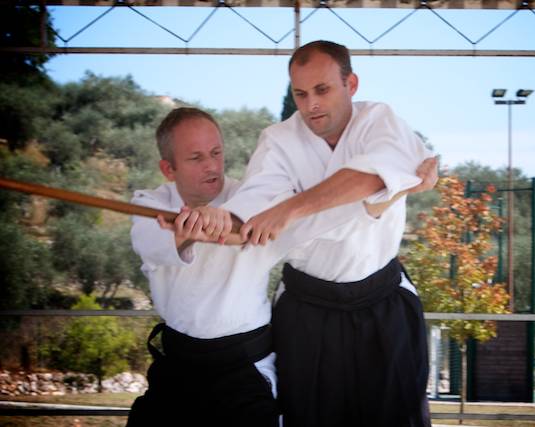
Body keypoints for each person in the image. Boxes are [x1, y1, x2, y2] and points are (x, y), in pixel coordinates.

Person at [127, 107, 437, 426]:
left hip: (245, 369)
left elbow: (326, 219)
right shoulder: (150, 206)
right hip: (177, 366)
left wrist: (397, 189)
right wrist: (189, 232)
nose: (211, 166)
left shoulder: (256, 200)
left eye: (216, 153)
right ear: (168, 168)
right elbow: (152, 245)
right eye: (195, 158)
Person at [223, 40, 436, 427]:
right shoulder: (277, 141)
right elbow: (251, 210)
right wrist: (215, 221)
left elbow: (371, 177)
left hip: (382, 299)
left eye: (322, 90)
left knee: (397, 416)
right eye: (300, 94)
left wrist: (290, 208)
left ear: (351, 84)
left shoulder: (378, 119)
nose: (311, 105)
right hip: (307, 306)